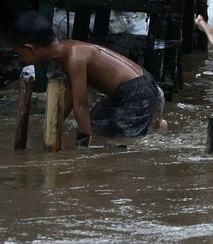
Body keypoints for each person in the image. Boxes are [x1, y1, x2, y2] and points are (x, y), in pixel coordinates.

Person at [9, 11, 164, 145]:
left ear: (31, 48)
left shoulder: (75, 57)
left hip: (138, 90)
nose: (24, 60)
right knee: (97, 123)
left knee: (122, 137)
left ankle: (157, 126)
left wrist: (83, 146)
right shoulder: (64, 53)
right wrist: (52, 125)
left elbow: (81, 105)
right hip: (121, 93)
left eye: (22, 55)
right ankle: (148, 124)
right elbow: (70, 94)